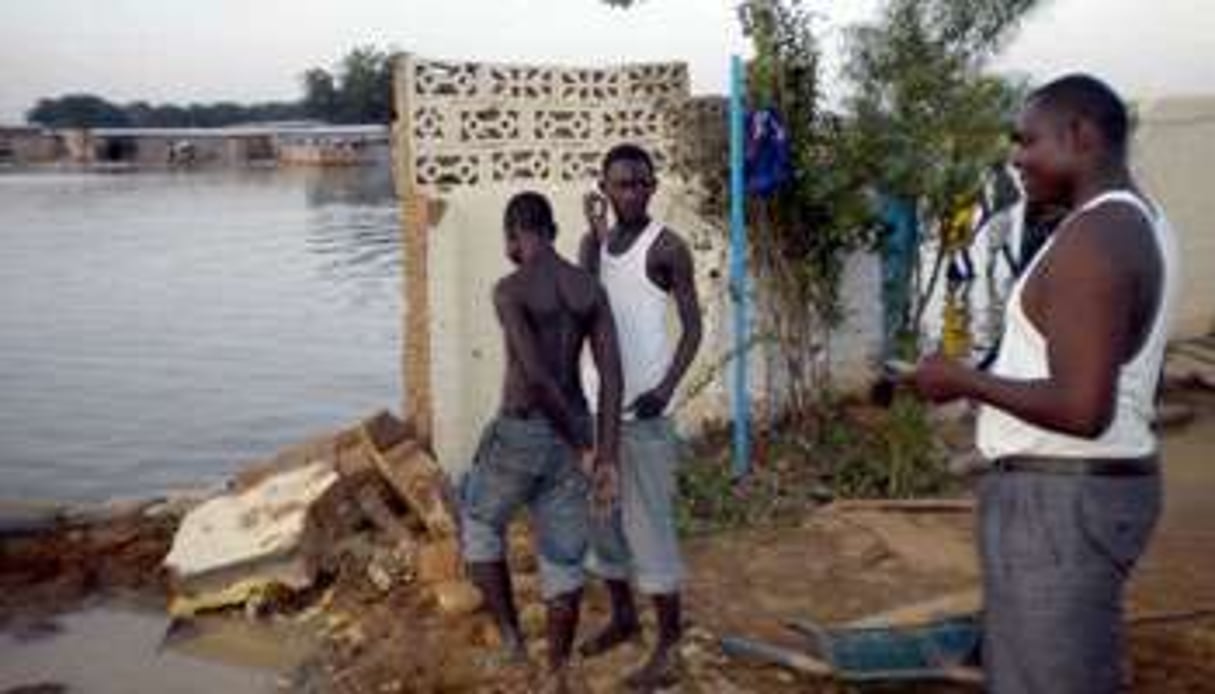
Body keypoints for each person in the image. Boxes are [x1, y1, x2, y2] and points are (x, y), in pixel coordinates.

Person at [911, 74, 1179, 693]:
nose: (1015, 158)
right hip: (1077, 496)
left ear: (1080, 136)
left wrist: (962, 380)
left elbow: (1084, 407)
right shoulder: (1138, 221)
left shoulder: (1097, 237)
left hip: (1061, 506)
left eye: (1026, 140)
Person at [459, 191, 623, 692]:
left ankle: (512, 640)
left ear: (513, 236)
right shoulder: (588, 288)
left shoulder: (510, 289)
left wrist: (581, 444)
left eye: (510, 239)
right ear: (551, 231)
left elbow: (533, 374)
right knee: (561, 556)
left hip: (522, 432)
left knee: (480, 523)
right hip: (573, 435)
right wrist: (602, 452)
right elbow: (613, 377)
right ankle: (555, 671)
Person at [577, 143, 703, 690]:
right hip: (595, 413)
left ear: (653, 187)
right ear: (603, 189)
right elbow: (582, 301)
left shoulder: (667, 248)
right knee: (602, 524)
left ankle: (669, 644)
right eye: (619, 183)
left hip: (643, 415)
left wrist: (665, 388)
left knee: (649, 529)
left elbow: (694, 327)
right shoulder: (593, 245)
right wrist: (593, 236)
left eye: (639, 183)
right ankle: (624, 616)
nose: (630, 192)